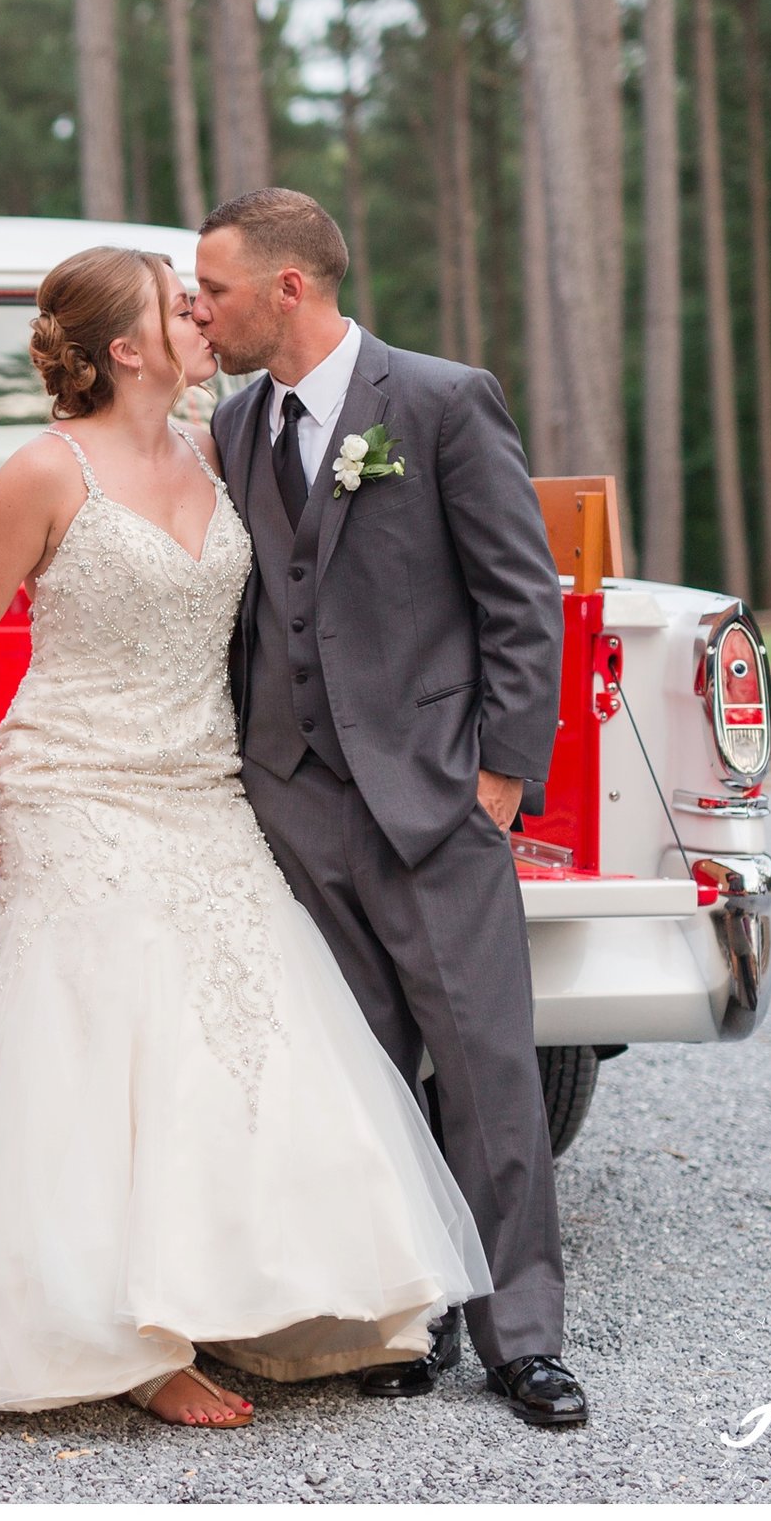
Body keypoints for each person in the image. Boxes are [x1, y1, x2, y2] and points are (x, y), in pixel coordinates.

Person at [0, 245, 490, 1440]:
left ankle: (262, 1290)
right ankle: (119, 1335)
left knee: (247, 1024)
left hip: (200, 781)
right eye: (174, 306)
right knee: (102, 1041)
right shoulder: (44, 470)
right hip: (74, 782)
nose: (200, 315)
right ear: (126, 350)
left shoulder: (221, 448)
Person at [192, 188, 581, 1429]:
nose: (200, 311)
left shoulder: (440, 399)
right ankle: (398, 1319)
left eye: (215, 290)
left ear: (288, 288)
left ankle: (520, 1337)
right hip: (293, 804)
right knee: (354, 1079)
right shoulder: (236, 421)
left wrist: (500, 778)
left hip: (431, 798)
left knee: (484, 1072)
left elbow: (522, 599)